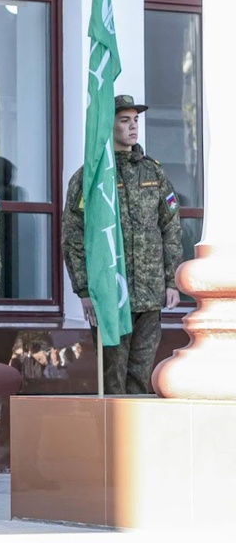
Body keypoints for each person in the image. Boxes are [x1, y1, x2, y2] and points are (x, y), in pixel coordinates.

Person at [62, 94, 183, 394]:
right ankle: (114, 440)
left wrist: (172, 281)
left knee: (140, 378)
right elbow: (74, 235)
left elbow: (170, 227)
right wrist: (84, 289)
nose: (133, 127)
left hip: (149, 294)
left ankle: (135, 440)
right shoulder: (90, 177)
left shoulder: (153, 172)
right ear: (108, 124)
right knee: (112, 378)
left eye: (135, 120)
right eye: (124, 120)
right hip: (109, 294)